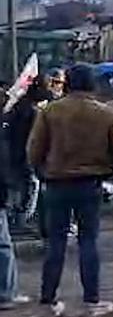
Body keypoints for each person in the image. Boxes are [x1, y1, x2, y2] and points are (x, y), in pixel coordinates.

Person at [27, 64, 113, 317]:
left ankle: (48, 300)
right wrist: (109, 172)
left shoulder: (50, 112)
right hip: (91, 183)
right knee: (88, 240)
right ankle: (91, 300)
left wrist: (43, 171)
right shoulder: (107, 115)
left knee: (56, 242)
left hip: (56, 182)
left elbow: (34, 149)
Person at [5, 75, 52, 234]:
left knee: (23, 188)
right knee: (31, 187)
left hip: (15, 153)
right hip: (25, 155)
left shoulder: (20, 105)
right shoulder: (32, 111)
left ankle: (19, 218)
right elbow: (33, 137)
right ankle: (21, 220)